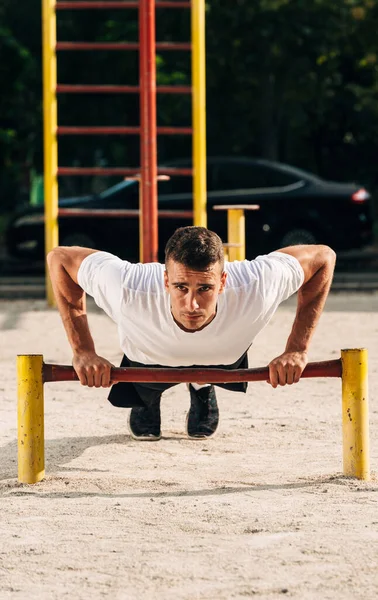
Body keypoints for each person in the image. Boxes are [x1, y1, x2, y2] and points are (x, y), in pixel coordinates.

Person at [47, 226, 336, 441]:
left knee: (206, 360)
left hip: (221, 357)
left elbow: (323, 257)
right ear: (165, 279)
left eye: (205, 289)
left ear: (223, 282)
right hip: (147, 358)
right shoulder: (129, 286)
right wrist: (83, 350)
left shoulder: (255, 284)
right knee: (145, 400)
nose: (192, 305)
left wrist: (297, 348)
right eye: (181, 287)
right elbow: (60, 258)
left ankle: (202, 385)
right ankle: (148, 397)